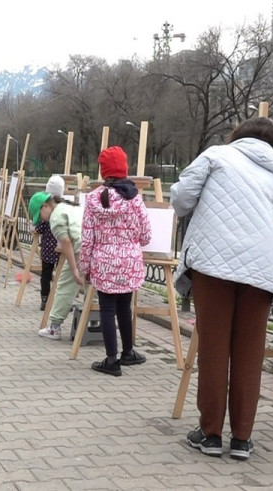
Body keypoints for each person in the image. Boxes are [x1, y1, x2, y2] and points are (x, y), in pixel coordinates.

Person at [170, 117, 273, 461]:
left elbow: (181, 200)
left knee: (214, 350)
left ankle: (210, 435)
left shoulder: (216, 155)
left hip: (213, 264)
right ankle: (242, 439)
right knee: (249, 355)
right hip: (260, 270)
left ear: (238, 137)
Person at [79, 146, 153, 377]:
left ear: (103, 172)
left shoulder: (93, 199)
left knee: (107, 309)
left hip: (103, 261)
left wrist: (85, 267)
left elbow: (87, 237)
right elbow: (147, 234)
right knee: (124, 307)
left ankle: (112, 359)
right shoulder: (134, 198)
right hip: (130, 261)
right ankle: (128, 351)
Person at [29, 190, 83, 340]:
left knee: (64, 286)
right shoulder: (69, 206)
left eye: (40, 216)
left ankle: (54, 327)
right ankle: (96, 322)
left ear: (45, 206)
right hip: (94, 248)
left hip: (80, 249)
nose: (41, 220)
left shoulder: (56, 217)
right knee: (95, 291)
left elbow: (66, 242)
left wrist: (74, 269)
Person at [36, 176, 65, 310]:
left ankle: (45, 298)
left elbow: (40, 228)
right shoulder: (64, 208)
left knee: (46, 274)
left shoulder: (46, 208)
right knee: (61, 275)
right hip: (61, 247)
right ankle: (59, 300)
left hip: (47, 248)